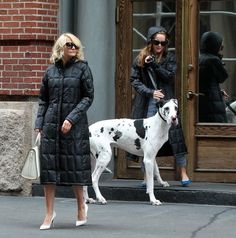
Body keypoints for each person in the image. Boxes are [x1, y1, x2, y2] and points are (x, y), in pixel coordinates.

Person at [35, 33, 94, 230]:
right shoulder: (50, 71)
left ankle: (80, 208)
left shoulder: (83, 69)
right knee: (49, 169)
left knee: (75, 166)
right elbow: (43, 99)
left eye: (76, 45)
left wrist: (71, 117)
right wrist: (39, 124)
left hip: (74, 126)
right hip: (51, 125)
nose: (74, 48)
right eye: (69, 44)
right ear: (61, 47)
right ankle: (49, 213)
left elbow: (88, 97)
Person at [130, 26, 191, 187]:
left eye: (163, 43)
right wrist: (151, 92)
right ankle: (146, 176)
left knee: (176, 137)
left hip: (167, 102)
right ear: (150, 42)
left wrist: (154, 66)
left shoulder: (170, 58)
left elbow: (169, 77)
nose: (159, 46)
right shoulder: (140, 59)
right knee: (146, 138)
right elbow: (134, 81)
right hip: (147, 102)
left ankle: (183, 172)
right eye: (156, 42)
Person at [199, 31, 229, 122]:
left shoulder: (200, 58)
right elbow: (223, 77)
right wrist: (218, 58)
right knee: (218, 128)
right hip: (213, 102)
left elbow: (206, 81)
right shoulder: (213, 59)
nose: (221, 48)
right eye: (221, 45)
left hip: (204, 101)